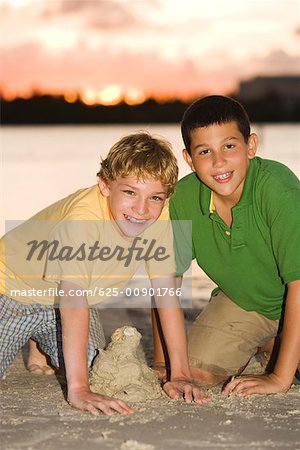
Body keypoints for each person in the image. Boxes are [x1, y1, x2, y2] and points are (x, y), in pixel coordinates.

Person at [0, 131, 208, 416]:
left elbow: (165, 291)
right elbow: (73, 301)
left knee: (97, 370)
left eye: (155, 197)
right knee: (82, 380)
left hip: (63, 300)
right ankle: (33, 335)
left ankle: (40, 340)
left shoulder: (159, 216)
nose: (142, 209)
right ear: (105, 185)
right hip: (11, 290)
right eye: (130, 192)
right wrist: (78, 390)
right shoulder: (82, 221)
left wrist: (181, 373)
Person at [153, 95, 300, 396]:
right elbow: (165, 281)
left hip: (295, 298)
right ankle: (269, 342)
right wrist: (162, 362)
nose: (218, 162)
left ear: (251, 146)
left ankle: (278, 347)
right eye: (205, 151)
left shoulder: (278, 188)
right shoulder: (182, 200)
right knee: (196, 371)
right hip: (244, 303)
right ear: (189, 159)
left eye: (229, 146)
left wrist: (279, 379)